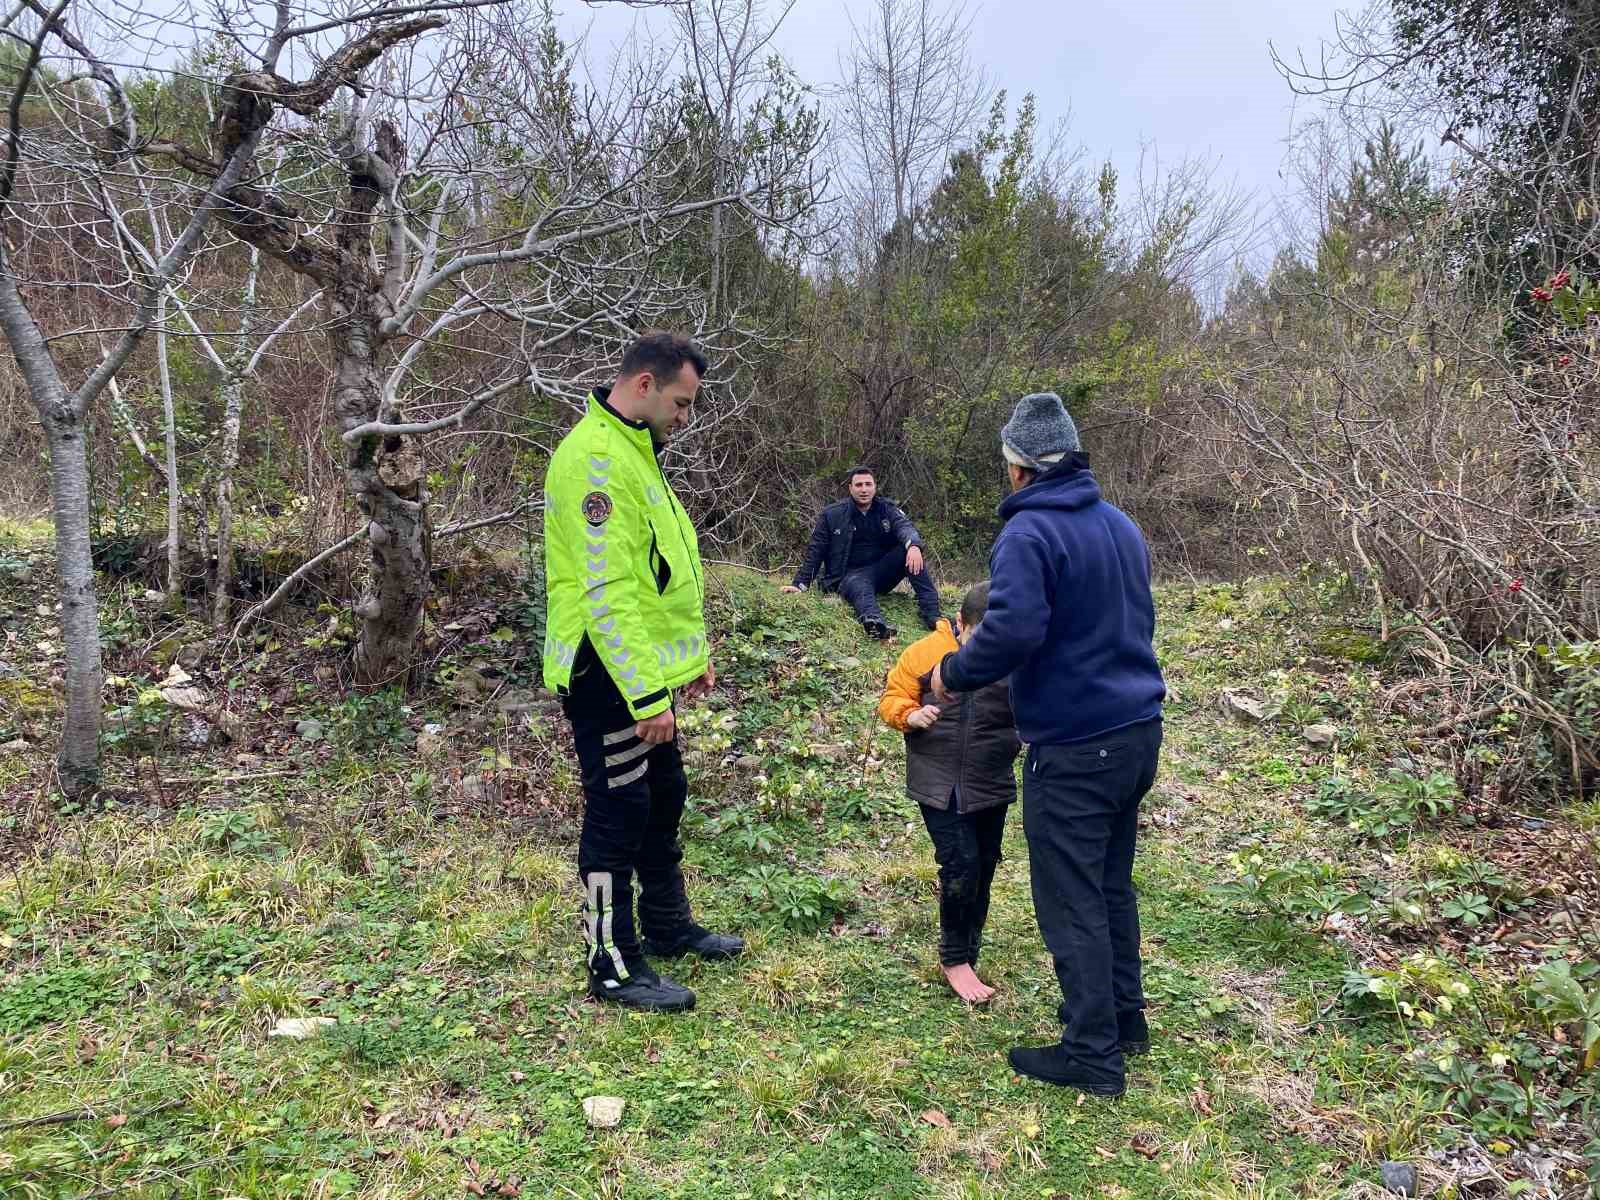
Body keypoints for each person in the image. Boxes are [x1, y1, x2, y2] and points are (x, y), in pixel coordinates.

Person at [930, 392, 1166, 1097]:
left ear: (1019, 468)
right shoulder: (1120, 525)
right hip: (1136, 734)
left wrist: (951, 673)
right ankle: (1125, 1022)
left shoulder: (1028, 536)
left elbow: (1010, 632)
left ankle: (1092, 1053)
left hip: (1076, 746)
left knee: (1071, 899)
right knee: (1110, 886)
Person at [542, 332, 745, 1014]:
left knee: (663, 794)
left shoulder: (636, 452)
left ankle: (665, 924)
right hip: (605, 674)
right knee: (619, 808)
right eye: (682, 404)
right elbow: (608, 596)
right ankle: (612, 961)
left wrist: (689, 661)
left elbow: (659, 571)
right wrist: (646, 695)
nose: (686, 417)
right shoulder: (597, 461)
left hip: (639, 673)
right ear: (643, 386)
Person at [878, 581, 1019, 1005]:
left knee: (986, 864)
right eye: (978, 639)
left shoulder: (1017, 654)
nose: (984, 651)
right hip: (938, 780)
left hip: (992, 779)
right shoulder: (923, 653)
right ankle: (954, 958)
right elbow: (891, 698)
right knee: (961, 865)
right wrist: (910, 714)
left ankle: (969, 950)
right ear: (960, 623)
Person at [781, 467, 941, 639]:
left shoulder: (887, 509)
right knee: (860, 584)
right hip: (846, 576)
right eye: (858, 485)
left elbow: (905, 528)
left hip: (880, 573)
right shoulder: (831, 515)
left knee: (910, 550)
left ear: (874, 487)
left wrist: (914, 545)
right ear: (850, 488)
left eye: (868, 484)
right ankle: (874, 623)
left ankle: (933, 615)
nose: (864, 489)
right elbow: (815, 551)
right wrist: (799, 585)